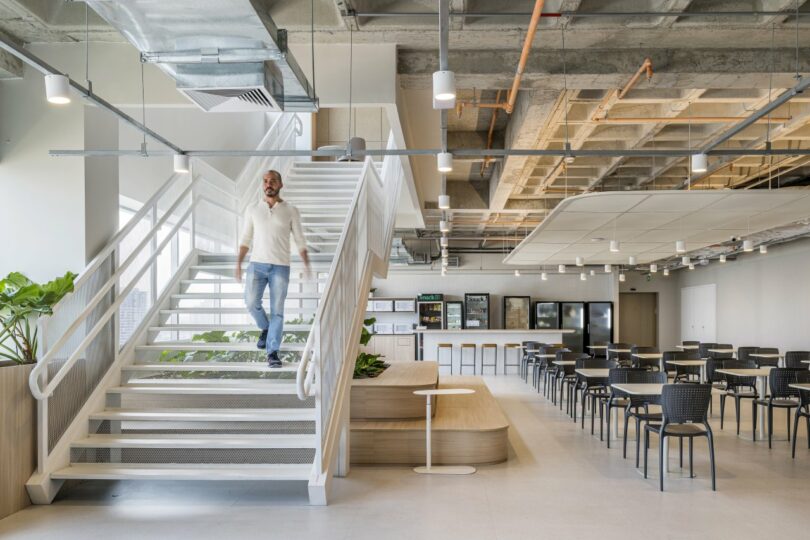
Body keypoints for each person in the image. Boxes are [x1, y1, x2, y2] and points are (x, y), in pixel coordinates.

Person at [236, 170, 309, 368]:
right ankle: (265, 328)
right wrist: (238, 263)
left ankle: (272, 352)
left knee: (278, 311)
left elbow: (300, 239)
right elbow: (245, 239)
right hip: (256, 265)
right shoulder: (252, 209)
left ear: (280, 184)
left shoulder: (291, 210)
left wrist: (306, 261)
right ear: (263, 185)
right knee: (251, 303)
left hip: (280, 267)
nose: (269, 184)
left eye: (273, 181)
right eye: (266, 181)